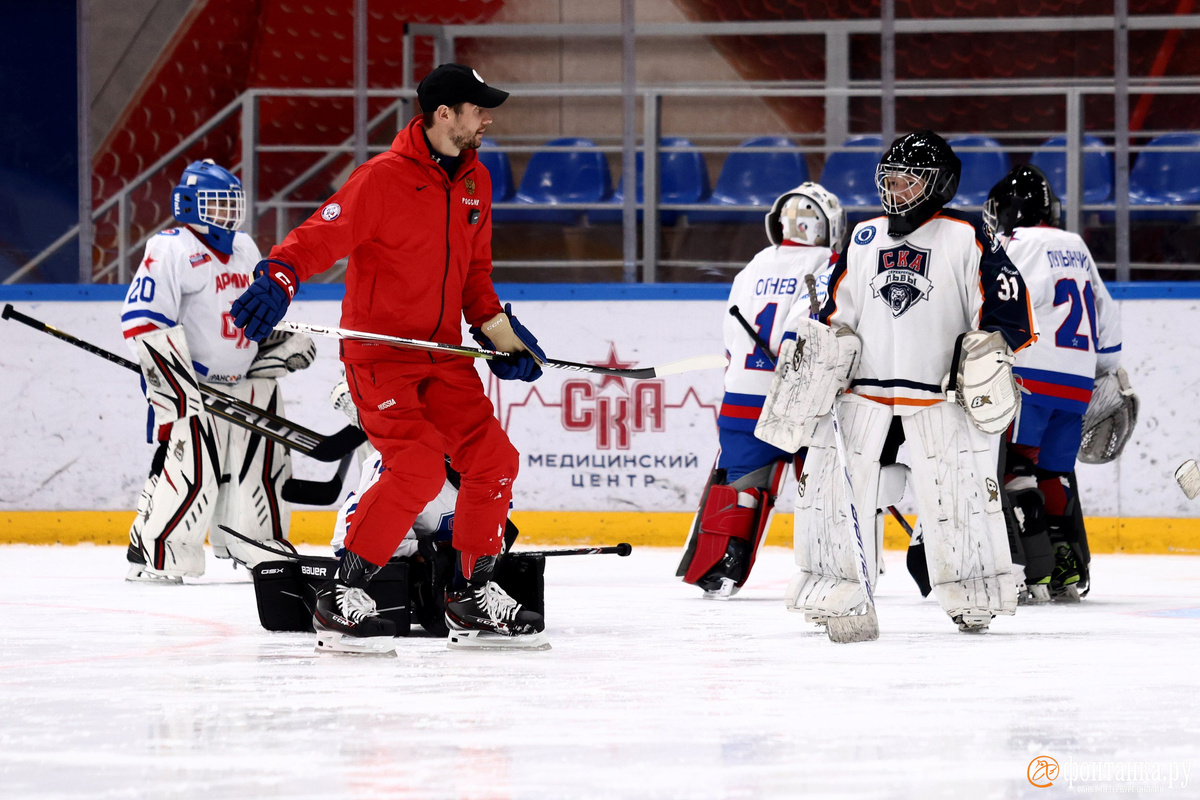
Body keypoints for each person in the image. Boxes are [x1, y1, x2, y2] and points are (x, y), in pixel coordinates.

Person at [229, 63, 547, 654]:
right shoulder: (380, 179)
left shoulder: (476, 181)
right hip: (381, 358)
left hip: (443, 356)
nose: (488, 119)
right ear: (443, 113)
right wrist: (279, 276)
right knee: (418, 467)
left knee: (494, 459)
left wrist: (503, 338)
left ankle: (470, 595)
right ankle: (340, 597)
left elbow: (475, 278)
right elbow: (315, 239)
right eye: (478, 109)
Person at [757, 131, 1038, 640]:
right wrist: (821, 353)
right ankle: (831, 587)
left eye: (909, 179)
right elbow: (835, 312)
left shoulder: (966, 235)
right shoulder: (865, 236)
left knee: (958, 494)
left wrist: (986, 353)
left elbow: (1008, 308)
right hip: (864, 389)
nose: (896, 188)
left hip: (939, 392)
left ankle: (973, 595)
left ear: (941, 183)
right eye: (890, 178)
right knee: (829, 489)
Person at [121, 159, 315, 583]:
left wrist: (276, 347)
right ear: (188, 204)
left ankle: (256, 541)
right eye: (215, 203)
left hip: (242, 385)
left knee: (259, 468)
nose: (227, 212)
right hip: (194, 386)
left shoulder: (244, 247)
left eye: (231, 203)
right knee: (191, 471)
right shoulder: (170, 248)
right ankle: (158, 547)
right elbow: (143, 321)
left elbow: (255, 318)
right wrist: (171, 382)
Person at [676, 182, 843, 597]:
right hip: (803, 400)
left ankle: (719, 566)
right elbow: (808, 329)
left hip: (743, 396)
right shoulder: (829, 263)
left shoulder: (754, 265)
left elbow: (730, 337)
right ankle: (835, 571)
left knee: (740, 488)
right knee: (826, 490)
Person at [984, 164, 1124, 602]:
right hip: (1077, 382)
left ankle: (1034, 571)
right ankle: (1065, 565)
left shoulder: (1018, 244)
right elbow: (1108, 316)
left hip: (1031, 377)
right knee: (1056, 472)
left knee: (1016, 468)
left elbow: (1006, 300)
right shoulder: (1076, 245)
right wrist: (1103, 367)